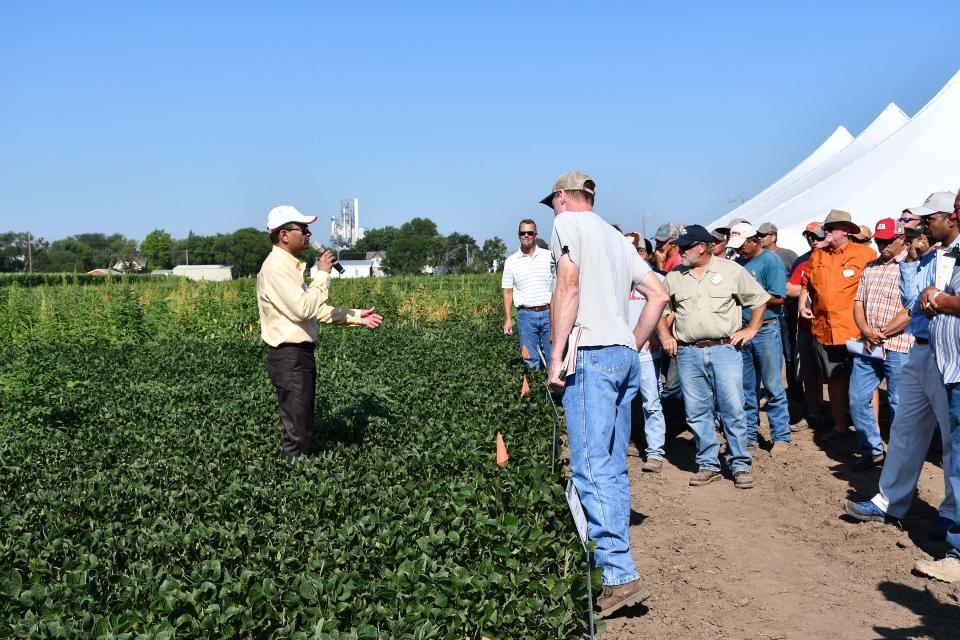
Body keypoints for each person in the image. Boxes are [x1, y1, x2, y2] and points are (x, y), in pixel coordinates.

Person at [543, 171, 668, 617]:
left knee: (590, 467)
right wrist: (633, 341)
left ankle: (617, 575)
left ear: (562, 198)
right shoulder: (618, 239)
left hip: (592, 355)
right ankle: (616, 566)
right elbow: (658, 292)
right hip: (622, 355)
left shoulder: (567, 226)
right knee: (612, 466)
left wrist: (556, 358)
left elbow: (568, 287)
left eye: (552, 203)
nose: (552, 212)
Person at [844, 192, 958, 544]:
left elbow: (938, 304)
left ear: (948, 218)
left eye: (929, 218)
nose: (923, 225)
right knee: (906, 428)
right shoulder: (930, 253)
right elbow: (911, 302)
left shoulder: (954, 256)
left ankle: (951, 514)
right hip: (919, 350)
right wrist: (911, 261)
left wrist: (935, 295)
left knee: (951, 438)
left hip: (946, 354)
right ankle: (889, 502)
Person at [257, 205, 383, 459]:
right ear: (284, 235)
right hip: (289, 356)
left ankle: (295, 479)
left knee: (301, 424)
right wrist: (323, 273)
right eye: (302, 228)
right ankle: (289, 485)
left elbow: (315, 310)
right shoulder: (275, 269)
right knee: (298, 432)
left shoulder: (289, 267)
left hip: (298, 356)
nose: (308, 234)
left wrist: (357, 316)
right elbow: (304, 309)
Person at [658, 225, 770, 489]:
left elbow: (759, 300)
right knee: (697, 411)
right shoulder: (675, 276)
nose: (681, 251)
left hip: (724, 349)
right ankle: (708, 463)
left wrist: (751, 329)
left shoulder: (731, 271)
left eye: (686, 247)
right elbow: (661, 311)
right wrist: (665, 336)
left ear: (702, 246)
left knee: (732, 407)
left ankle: (740, 464)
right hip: (688, 352)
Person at [913, 190, 960, 582]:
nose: (925, 225)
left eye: (931, 218)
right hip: (951, 369)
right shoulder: (950, 254)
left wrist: (943, 301)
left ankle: (958, 554)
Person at [799, 210, 877, 441]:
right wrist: (803, 303)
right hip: (826, 329)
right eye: (827, 228)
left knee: (865, 382)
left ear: (845, 230)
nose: (827, 232)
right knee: (835, 379)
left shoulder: (865, 254)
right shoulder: (818, 255)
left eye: (831, 228)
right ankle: (840, 427)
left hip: (857, 330)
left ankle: (871, 433)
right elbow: (806, 284)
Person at [847, 218, 913, 471]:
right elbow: (858, 303)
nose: (882, 244)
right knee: (858, 398)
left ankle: (900, 456)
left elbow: (911, 309)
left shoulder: (911, 267)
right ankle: (873, 450)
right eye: (879, 240)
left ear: (901, 240)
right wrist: (865, 329)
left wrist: (883, 333)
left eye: (887, 240)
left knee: (898, 403)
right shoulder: (871, 267)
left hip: (898, 344)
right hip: (868, 344)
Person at [728, 222, 791, 458]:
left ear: (754, 240)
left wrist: (752, 301)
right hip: (741, 330)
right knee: (746, 388)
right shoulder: (737, 263)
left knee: (772, 385)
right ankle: (750, 436)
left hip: (765, 329)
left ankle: (781, 436)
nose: (739, 250)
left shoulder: (770, 262)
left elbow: (778, 297)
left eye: (742, 245)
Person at [624, 231, 668, 472]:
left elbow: (669, 311)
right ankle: (625, 443)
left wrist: (661, 334)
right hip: (621, 347)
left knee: (651, 401)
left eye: (638, 251)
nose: (634, 255)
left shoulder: (658, 278)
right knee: (623, 401)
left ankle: (655, 452)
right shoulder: (616, 280)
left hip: (647, 351)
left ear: (646, 254)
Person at [786, 223, 828, 428]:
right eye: (808, 236)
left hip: (833, 325)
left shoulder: (835, 256)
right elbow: (789, 288)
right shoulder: (803, 261)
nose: (812, 239)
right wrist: (806, 289)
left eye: (816, 235)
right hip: (806, 325)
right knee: (809, 372)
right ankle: (814, 412)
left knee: (839, 374)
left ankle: (843, 413)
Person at [502, 219, 554, 368]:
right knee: (529, 359)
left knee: (554, 357)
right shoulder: (511, 261)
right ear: (518, 236)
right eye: (523, 233)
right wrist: (508, 319)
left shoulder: (549, 256)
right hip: (525, 315)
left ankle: (554, 391)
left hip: (549, 313)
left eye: (529, 233)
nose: (526, 235)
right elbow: (507, 291)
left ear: (535, 235)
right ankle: (534, 389)